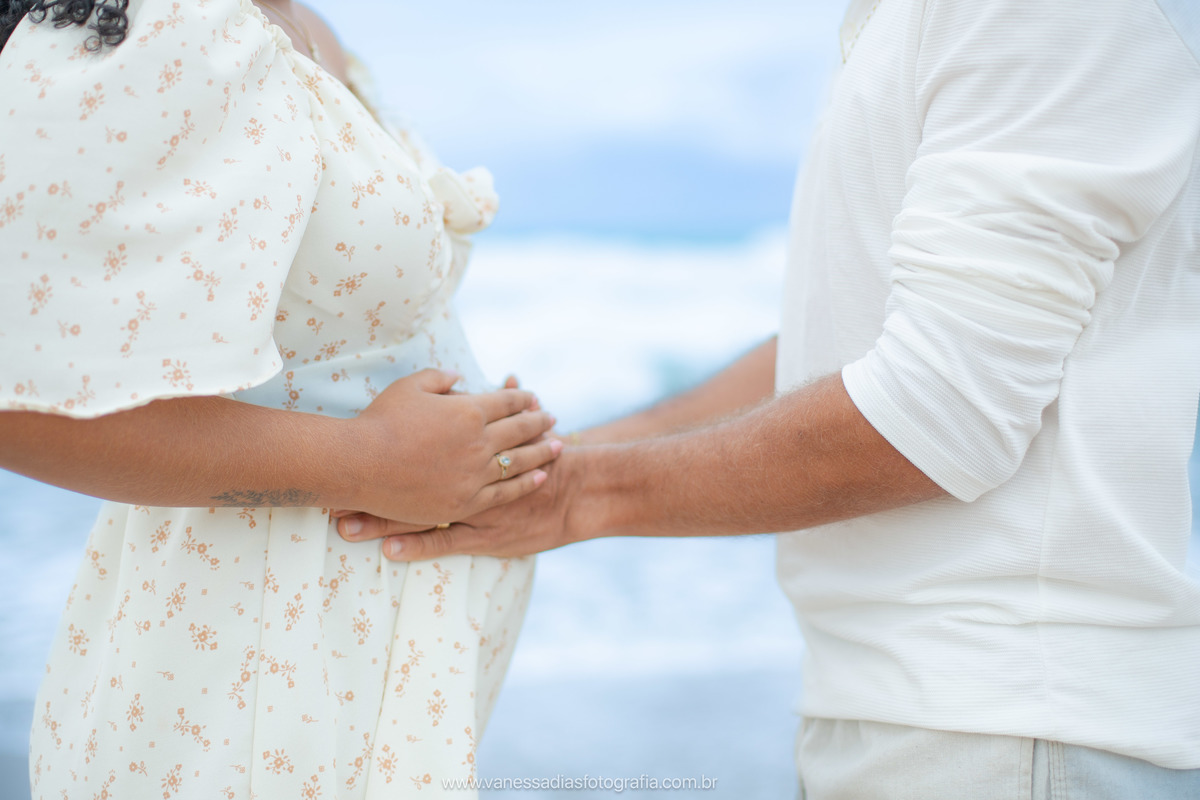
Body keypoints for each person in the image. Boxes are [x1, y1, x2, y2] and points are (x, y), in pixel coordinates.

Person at [338, 0, 1200, 796]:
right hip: (936, 711)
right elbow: (855, 343)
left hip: (1008, 717)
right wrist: (547, 459)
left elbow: (940, 413)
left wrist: (575, 497)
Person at [0, 1, 562, 797]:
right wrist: (363, 463)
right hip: (251, 671)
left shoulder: (301, 23)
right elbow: (17, 409)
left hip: (364, 657)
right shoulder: (168, 21)